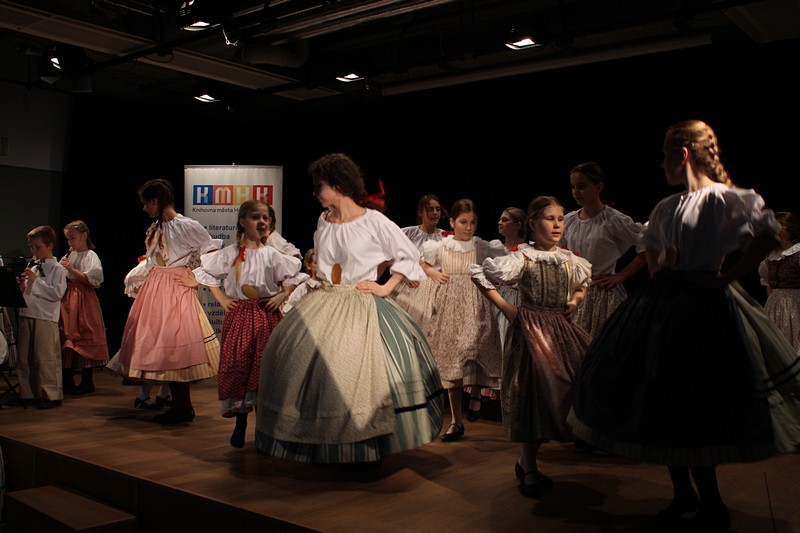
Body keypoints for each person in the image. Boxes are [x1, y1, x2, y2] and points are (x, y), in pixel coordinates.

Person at [568, 120, 800, 531]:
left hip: (704, 308)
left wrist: (726, 277)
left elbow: (764, 237)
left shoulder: (728, 198)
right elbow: (654, 257)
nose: (661, 165)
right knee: (660, 398)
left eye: (665, 156)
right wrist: (663, 285)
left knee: (693, 398)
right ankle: (684, 493)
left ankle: (712, 502)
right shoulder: (666, 207)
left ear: (684, 154)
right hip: (665, 307)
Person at [254, 153, 444, 464]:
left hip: (361, 304)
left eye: (320, 185)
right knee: (308, 370)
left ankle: (364, 446)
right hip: (326, 301)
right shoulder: (323, 220)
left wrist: (385, 287)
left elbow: (407, 254)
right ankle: (326, 446)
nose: (316, 192)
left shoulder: (373, 220)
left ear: (339, 184)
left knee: (359, 374)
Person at [471, 196, 591, 497]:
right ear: (533, 223)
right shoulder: (523, 257)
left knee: (565, 389)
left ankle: (526, 462)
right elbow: (480, 275)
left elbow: (583, 283)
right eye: (550, 219)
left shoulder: (568, 259)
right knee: (531, 394)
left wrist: (574, 302)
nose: (557, 225)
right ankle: (531, 468)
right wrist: (507, 309)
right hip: (530, 331)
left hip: (559, 331)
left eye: (560, 219)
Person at [190, 199, 305, 448]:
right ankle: (241, 423)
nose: (261, 221)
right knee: (239, 366)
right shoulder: (230, 253)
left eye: (266, 218)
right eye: (255, 217)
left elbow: (292, 276)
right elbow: (207, 273)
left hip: (265, 315)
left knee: (265, 371)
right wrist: (222, 298)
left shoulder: (272, 254)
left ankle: (265, 430)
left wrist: (282, 295)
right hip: (240, 315)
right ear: (242, 221)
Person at [111, 178, 221, 424]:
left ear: (155, 201)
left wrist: (197, 279)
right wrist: (137, 278)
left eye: (146, 203)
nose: (144, 209)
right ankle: (179, 405)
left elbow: (212, 253)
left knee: (175, 343)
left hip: (174, 287)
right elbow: (153, 260)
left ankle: (183, 407)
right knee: (164, 344)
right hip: (157, 287)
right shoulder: (156, 227)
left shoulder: (186, 225)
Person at [421, 198, 506, 441]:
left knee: (474, 347)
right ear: (452, 222)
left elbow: (499, 262)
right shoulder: (441, 246)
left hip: (476, 302)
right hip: (450, 305)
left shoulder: (480, 246)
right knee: (454, 362)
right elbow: (423, 261)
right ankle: (456, 422)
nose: (468, 227)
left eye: (473, 222)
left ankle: (476, 393)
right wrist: (433, 272)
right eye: (463, 222)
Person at [561, 162, 646, 338]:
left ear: (599, 187)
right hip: (574, 292)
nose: (576, 192)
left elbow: (648, 245)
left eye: (582, 187)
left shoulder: (612, 219)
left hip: (602, 294)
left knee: (602, 342)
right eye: (573, 187)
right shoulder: (569, 220)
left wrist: (622, 275)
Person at [15, 225, 68, 409]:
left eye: (38, 247)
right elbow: (29, 291)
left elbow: (57, 294)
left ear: (50, 245)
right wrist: (21, 286)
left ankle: (51, 395)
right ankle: (28, 392)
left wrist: (35, 281)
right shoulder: (33, 266)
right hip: (28, 313)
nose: (34, 251)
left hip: (45, 317)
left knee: (45, 358)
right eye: (31, 247)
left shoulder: (58, 269)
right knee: (25, 357)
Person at [59, 220, 109, 395]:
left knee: (85, 332)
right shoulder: (69, 255)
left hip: (84, 298)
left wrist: (72, 270)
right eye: (68, 239)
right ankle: (67, 380)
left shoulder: (90, 256)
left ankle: (87, 381)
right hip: (68, 297)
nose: (70, 242)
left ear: (84, 236)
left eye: (72, 238)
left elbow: (94, 280)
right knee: (67, 333)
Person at [390, 194, 448, 326]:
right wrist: (403, 276)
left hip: (436, 290)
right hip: (411, 287)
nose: (435, 213)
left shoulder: (446, 237)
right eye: (430, 209)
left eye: (437, 209)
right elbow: (389, 258)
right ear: (421, 212)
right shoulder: (408, 233)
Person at [758, 211, 800, 353]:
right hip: (774, 308)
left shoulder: (798, 253)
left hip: (795, 307)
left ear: (785, 227)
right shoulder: (770, 257)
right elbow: (769, 286)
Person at [281, 248, 322, 315]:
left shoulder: (331, 286)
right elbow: (288, 311)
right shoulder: (304, 288)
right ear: (309, 266)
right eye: (316, 263)